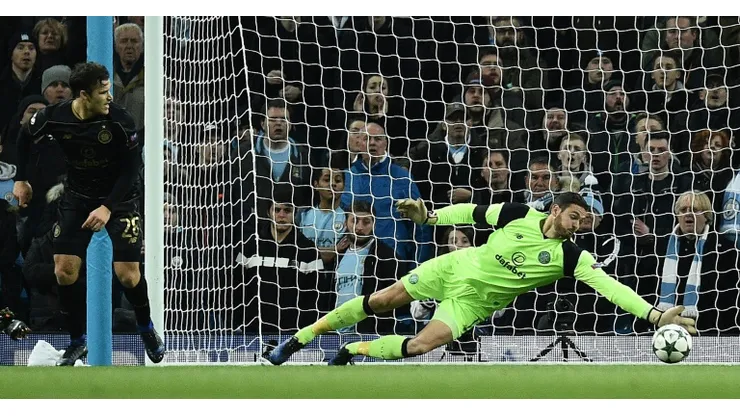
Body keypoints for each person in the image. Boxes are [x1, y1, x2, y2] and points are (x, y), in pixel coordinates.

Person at [265, 192, 696, 365]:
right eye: (573, 216)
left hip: (472, 303)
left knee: (421, 345)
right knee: (381, 301)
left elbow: (612, 288)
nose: (577, 225)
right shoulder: (518, 214)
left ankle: (350, 349)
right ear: (555, 211)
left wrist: (654, 316)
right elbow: (471, 213)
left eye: (583, 221)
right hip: (453, 267)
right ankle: (296, 341)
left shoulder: (571, 257)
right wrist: (431, 218)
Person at [12, 62, 165, 366]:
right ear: (84, 95)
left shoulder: (120, 120)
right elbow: (24, 136)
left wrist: (107, 207)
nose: (110, 97)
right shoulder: (55, 116)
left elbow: (131, 170)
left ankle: (146, 327)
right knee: (63, 270)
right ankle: (76, 341)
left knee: (128, 275)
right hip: (77, 198)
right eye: (103, 92)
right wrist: (21, 179)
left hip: (120, 199)